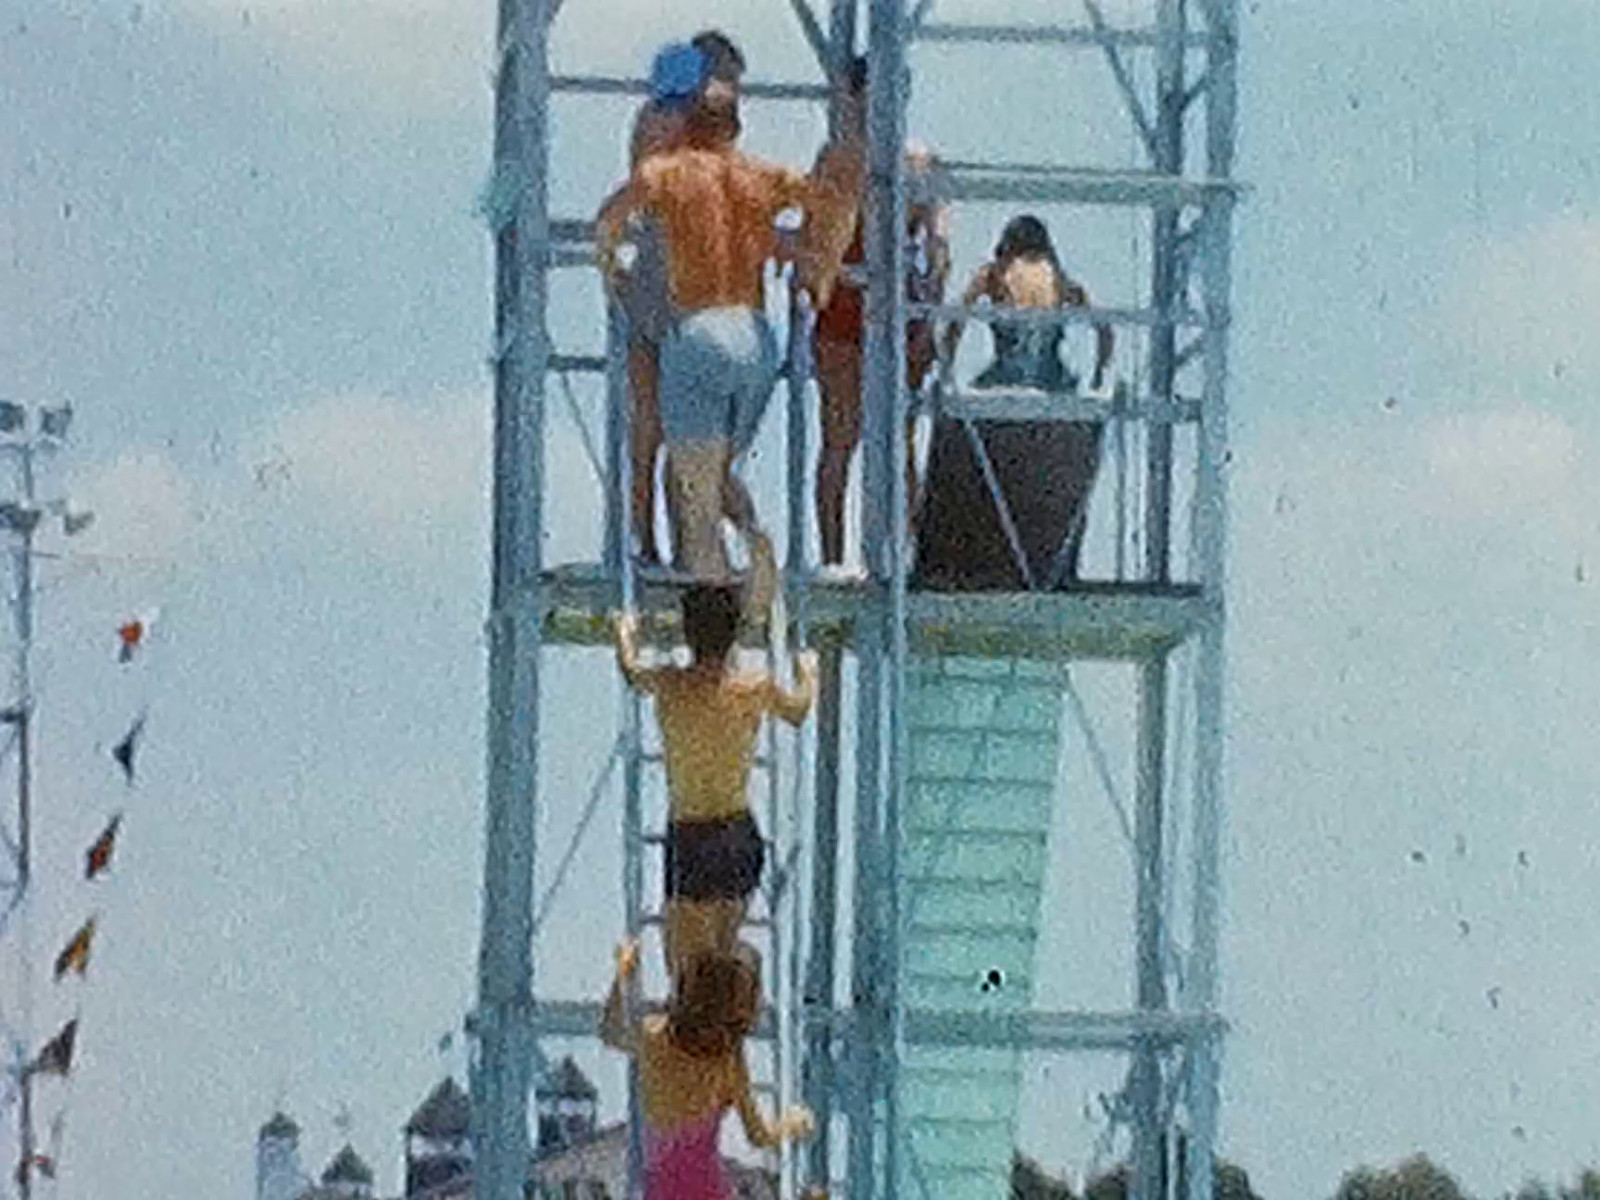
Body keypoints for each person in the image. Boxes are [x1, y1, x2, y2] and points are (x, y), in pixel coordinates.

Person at [596, 90, 858, 581]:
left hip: (698, 330)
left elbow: (608, 221)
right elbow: (838, 201)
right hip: (755, 336)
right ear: (735, 130)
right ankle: (737, 550)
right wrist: (824, 266)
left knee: (692, 473)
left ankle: (737, 551)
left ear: (687, 128)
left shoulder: (666, 173)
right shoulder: (762, 176)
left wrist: (614, 274)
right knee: (712, 469)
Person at [613, 537, 817, 976]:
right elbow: (799, 710)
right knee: (719, 969)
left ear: (688, 633)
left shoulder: (671, 683)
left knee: (684, 973)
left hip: (691, 832)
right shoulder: (753, 687)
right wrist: (808, 673)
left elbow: (631, 670)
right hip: (736, 832)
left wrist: (625, 634)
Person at [915, 214, 1115, 590]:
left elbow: (956, 320)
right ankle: (1062, 567)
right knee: (1067, 479)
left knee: (966, 451)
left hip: (1004, 380)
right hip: (1055, 385)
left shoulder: (995, 274)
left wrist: (947, 367)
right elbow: (1105, 331)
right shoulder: (1061, 279)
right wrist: (1099, 377)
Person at [806, 60, 951, 571]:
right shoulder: (917, 161)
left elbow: (814, 234)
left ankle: (843, 558)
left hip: (855, 301)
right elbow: (939, 250)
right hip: (880, 305)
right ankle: (886, 558)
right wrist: (929, 312)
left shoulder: (839, 158)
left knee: (851, 443)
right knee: (875, 443)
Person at [612, 34, 748, 568]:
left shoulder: (656, 118)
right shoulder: (683, 120)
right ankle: (661, 541)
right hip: (680, 282)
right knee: (670, 424)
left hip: (669, 275)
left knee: (662, 425)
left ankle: (661, 541)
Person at [601, 938, 814, 1200]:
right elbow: (758, 1136)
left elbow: (611, 1033)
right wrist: (793, 1123)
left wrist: (622, 975)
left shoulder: (654, 1036)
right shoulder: (727, 1058)